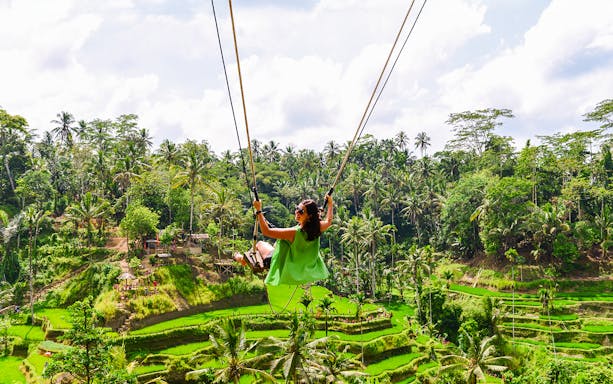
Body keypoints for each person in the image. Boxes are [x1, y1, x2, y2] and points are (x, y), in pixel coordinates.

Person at [234, 195, 333, 286]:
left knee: (260, 244)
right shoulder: (318, 227)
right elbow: (328, 221)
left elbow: (266, 231)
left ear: (309, 216)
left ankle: (242, 260)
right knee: (274, 245)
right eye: (297, 209)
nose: (297, 213)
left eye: (301, 212)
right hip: (301, 268)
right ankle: (244, 259)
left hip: (278, 263)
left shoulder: (294, 233)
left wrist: (259, 211)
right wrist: (330, 204)